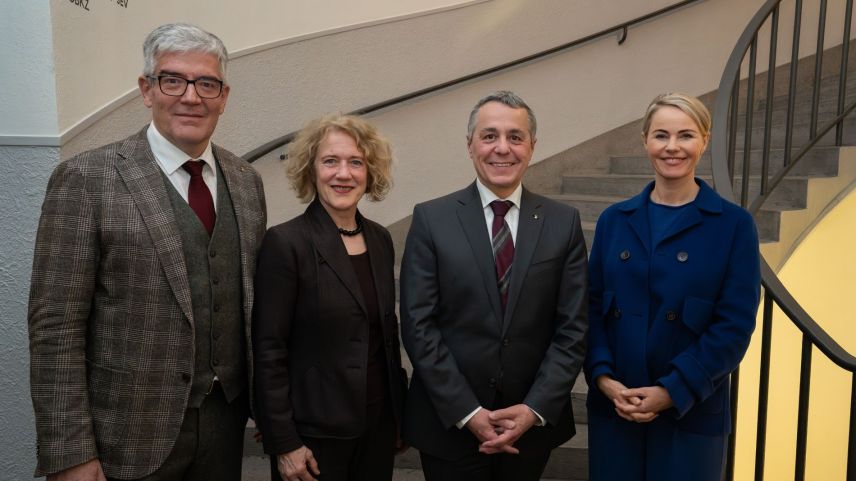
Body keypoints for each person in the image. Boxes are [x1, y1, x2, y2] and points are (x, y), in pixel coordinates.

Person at [27, 23, 267, 481]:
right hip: (127, 437)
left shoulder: (246, 181)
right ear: (146, 89)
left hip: (225, 424)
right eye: (172, 79)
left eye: (207, 83)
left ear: (224, 96)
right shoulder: (86, 179)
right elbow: (55, 326)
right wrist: (70, 452)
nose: (191, 97)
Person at [399, 90, 589, 481]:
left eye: (515, 137)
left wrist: (534, 408)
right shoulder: (431, 219)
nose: (502, 148)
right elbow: (418, 326)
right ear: (470, 145)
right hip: (449, 424)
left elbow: (573, 327)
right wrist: (468, 412)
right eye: (489, 136)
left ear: (532, 147)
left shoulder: (562, 222)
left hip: (529, 428)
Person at [584, 92, 761, 481]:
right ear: (646, 141)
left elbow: (733, 327)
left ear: (704, 141)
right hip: (617, 410)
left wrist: (672, 390)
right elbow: (592, 307)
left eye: (686, 135)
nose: (673, 147)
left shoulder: (733, 225)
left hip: (690, 411)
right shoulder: (615, 220)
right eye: (661, 135)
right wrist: (604, 379)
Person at [252, 113, 407, 481]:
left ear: (370, 173)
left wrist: (399, 415)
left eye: (356, 162)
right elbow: (268, 348)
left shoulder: (380, 239)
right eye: (331, 161)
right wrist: (284, 441)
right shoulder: (286, 243)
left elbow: (386, 336)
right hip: (313, 436)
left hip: (378, 426)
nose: (344, 173)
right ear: (311, 169)